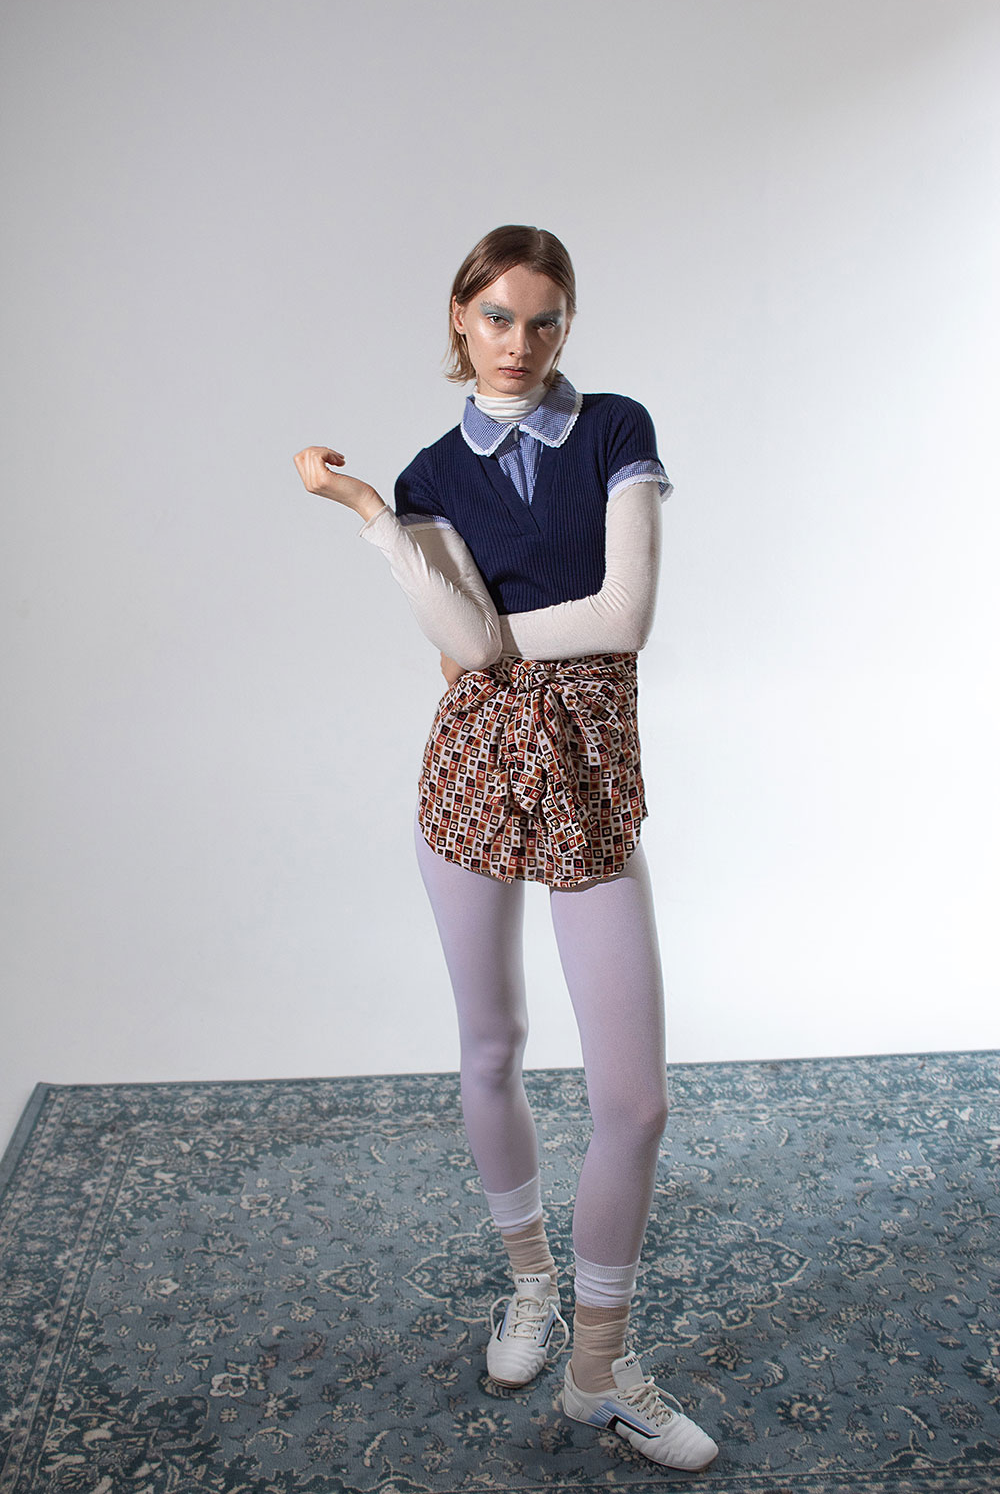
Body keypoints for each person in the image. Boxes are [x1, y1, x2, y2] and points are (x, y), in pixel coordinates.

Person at [292, 225, 719, 1473]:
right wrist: (374, 515)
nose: (518, 345)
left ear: (566, 325)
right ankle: (530, 1286)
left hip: (587, 768)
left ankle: (600, 1368)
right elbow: (461, 647)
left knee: (633, 1100)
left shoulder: (615, 429)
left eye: (542, 321)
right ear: (459, 318)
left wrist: (488, 636)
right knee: (492, 1045)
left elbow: (623, 616)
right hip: (473, 764)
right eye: (495, 319)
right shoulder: (429, 472)